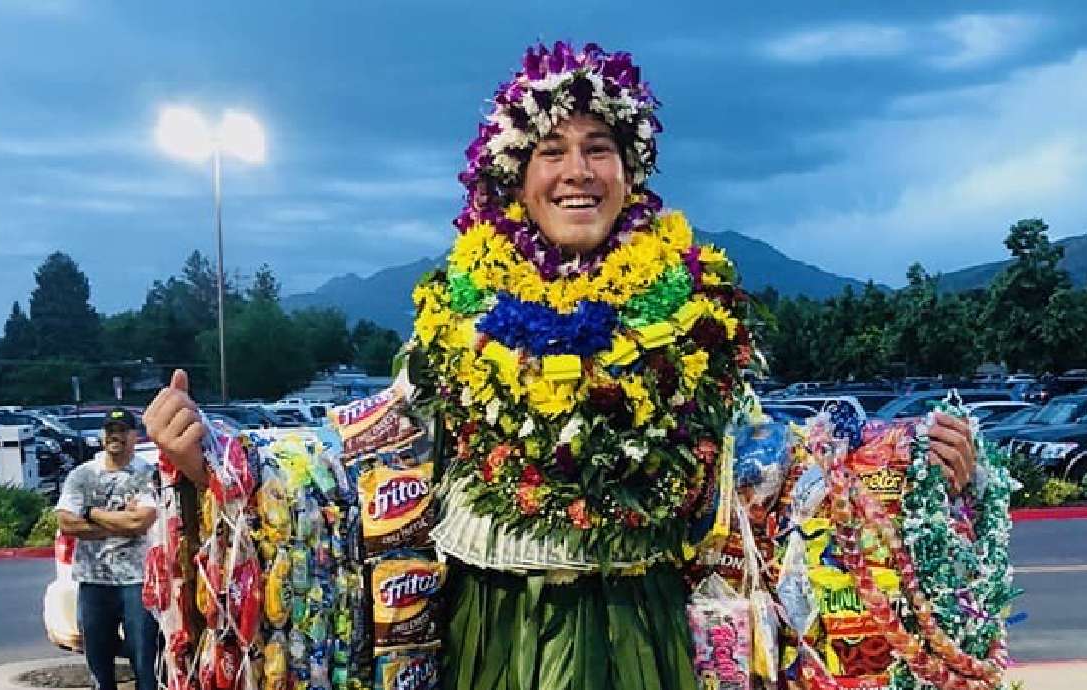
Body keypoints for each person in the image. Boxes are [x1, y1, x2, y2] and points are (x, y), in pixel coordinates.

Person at [145, 41, 978, 689]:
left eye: (599, 146)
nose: (577, 170)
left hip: (644, 635)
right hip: (492, 637)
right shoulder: (455, 321)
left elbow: (770, 468)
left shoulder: (697, 321)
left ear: (630, 170)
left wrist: (907, 470)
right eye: (551, 150)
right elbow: (359, 460)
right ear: (516, 178)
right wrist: (215, 460)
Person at [56, 407, 160, 690]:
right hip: (93, 581)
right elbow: (66, 522)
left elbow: (141, 521)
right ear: (103, 435)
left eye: (122, 431)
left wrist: (89, 511)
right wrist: (119, 523)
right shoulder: (82, 475)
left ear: (134, 436)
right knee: (99, 666)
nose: (116, 436)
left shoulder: (147, 475)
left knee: (144, 664)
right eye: (110, 431)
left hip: (136, 582)